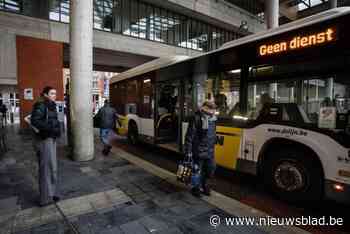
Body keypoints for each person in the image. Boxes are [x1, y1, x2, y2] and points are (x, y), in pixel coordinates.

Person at [31, 86, 61, 206]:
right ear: (45, 95)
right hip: (45, 140)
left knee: (52, 168)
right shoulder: (41, 105)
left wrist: (56, 131)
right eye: (52, 93)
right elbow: (35, 120)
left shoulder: (51, 105)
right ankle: (45, 199)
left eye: (55, 93)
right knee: (46, 170)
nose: (55, 95)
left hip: (51, 139)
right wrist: (50, 129)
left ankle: (50, 194)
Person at [184, 101, 217, 197]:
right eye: (211, 109)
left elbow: (213, 132)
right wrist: (188, 151)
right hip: (198, 150)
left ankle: (205, 186)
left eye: (213, 109)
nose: (213, 112)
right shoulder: (196, 118)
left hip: (210, 150)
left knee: (210, 170)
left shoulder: (213, 119)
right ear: (204, 108)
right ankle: (196, 188)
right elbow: (190, 135)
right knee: (197, 171)